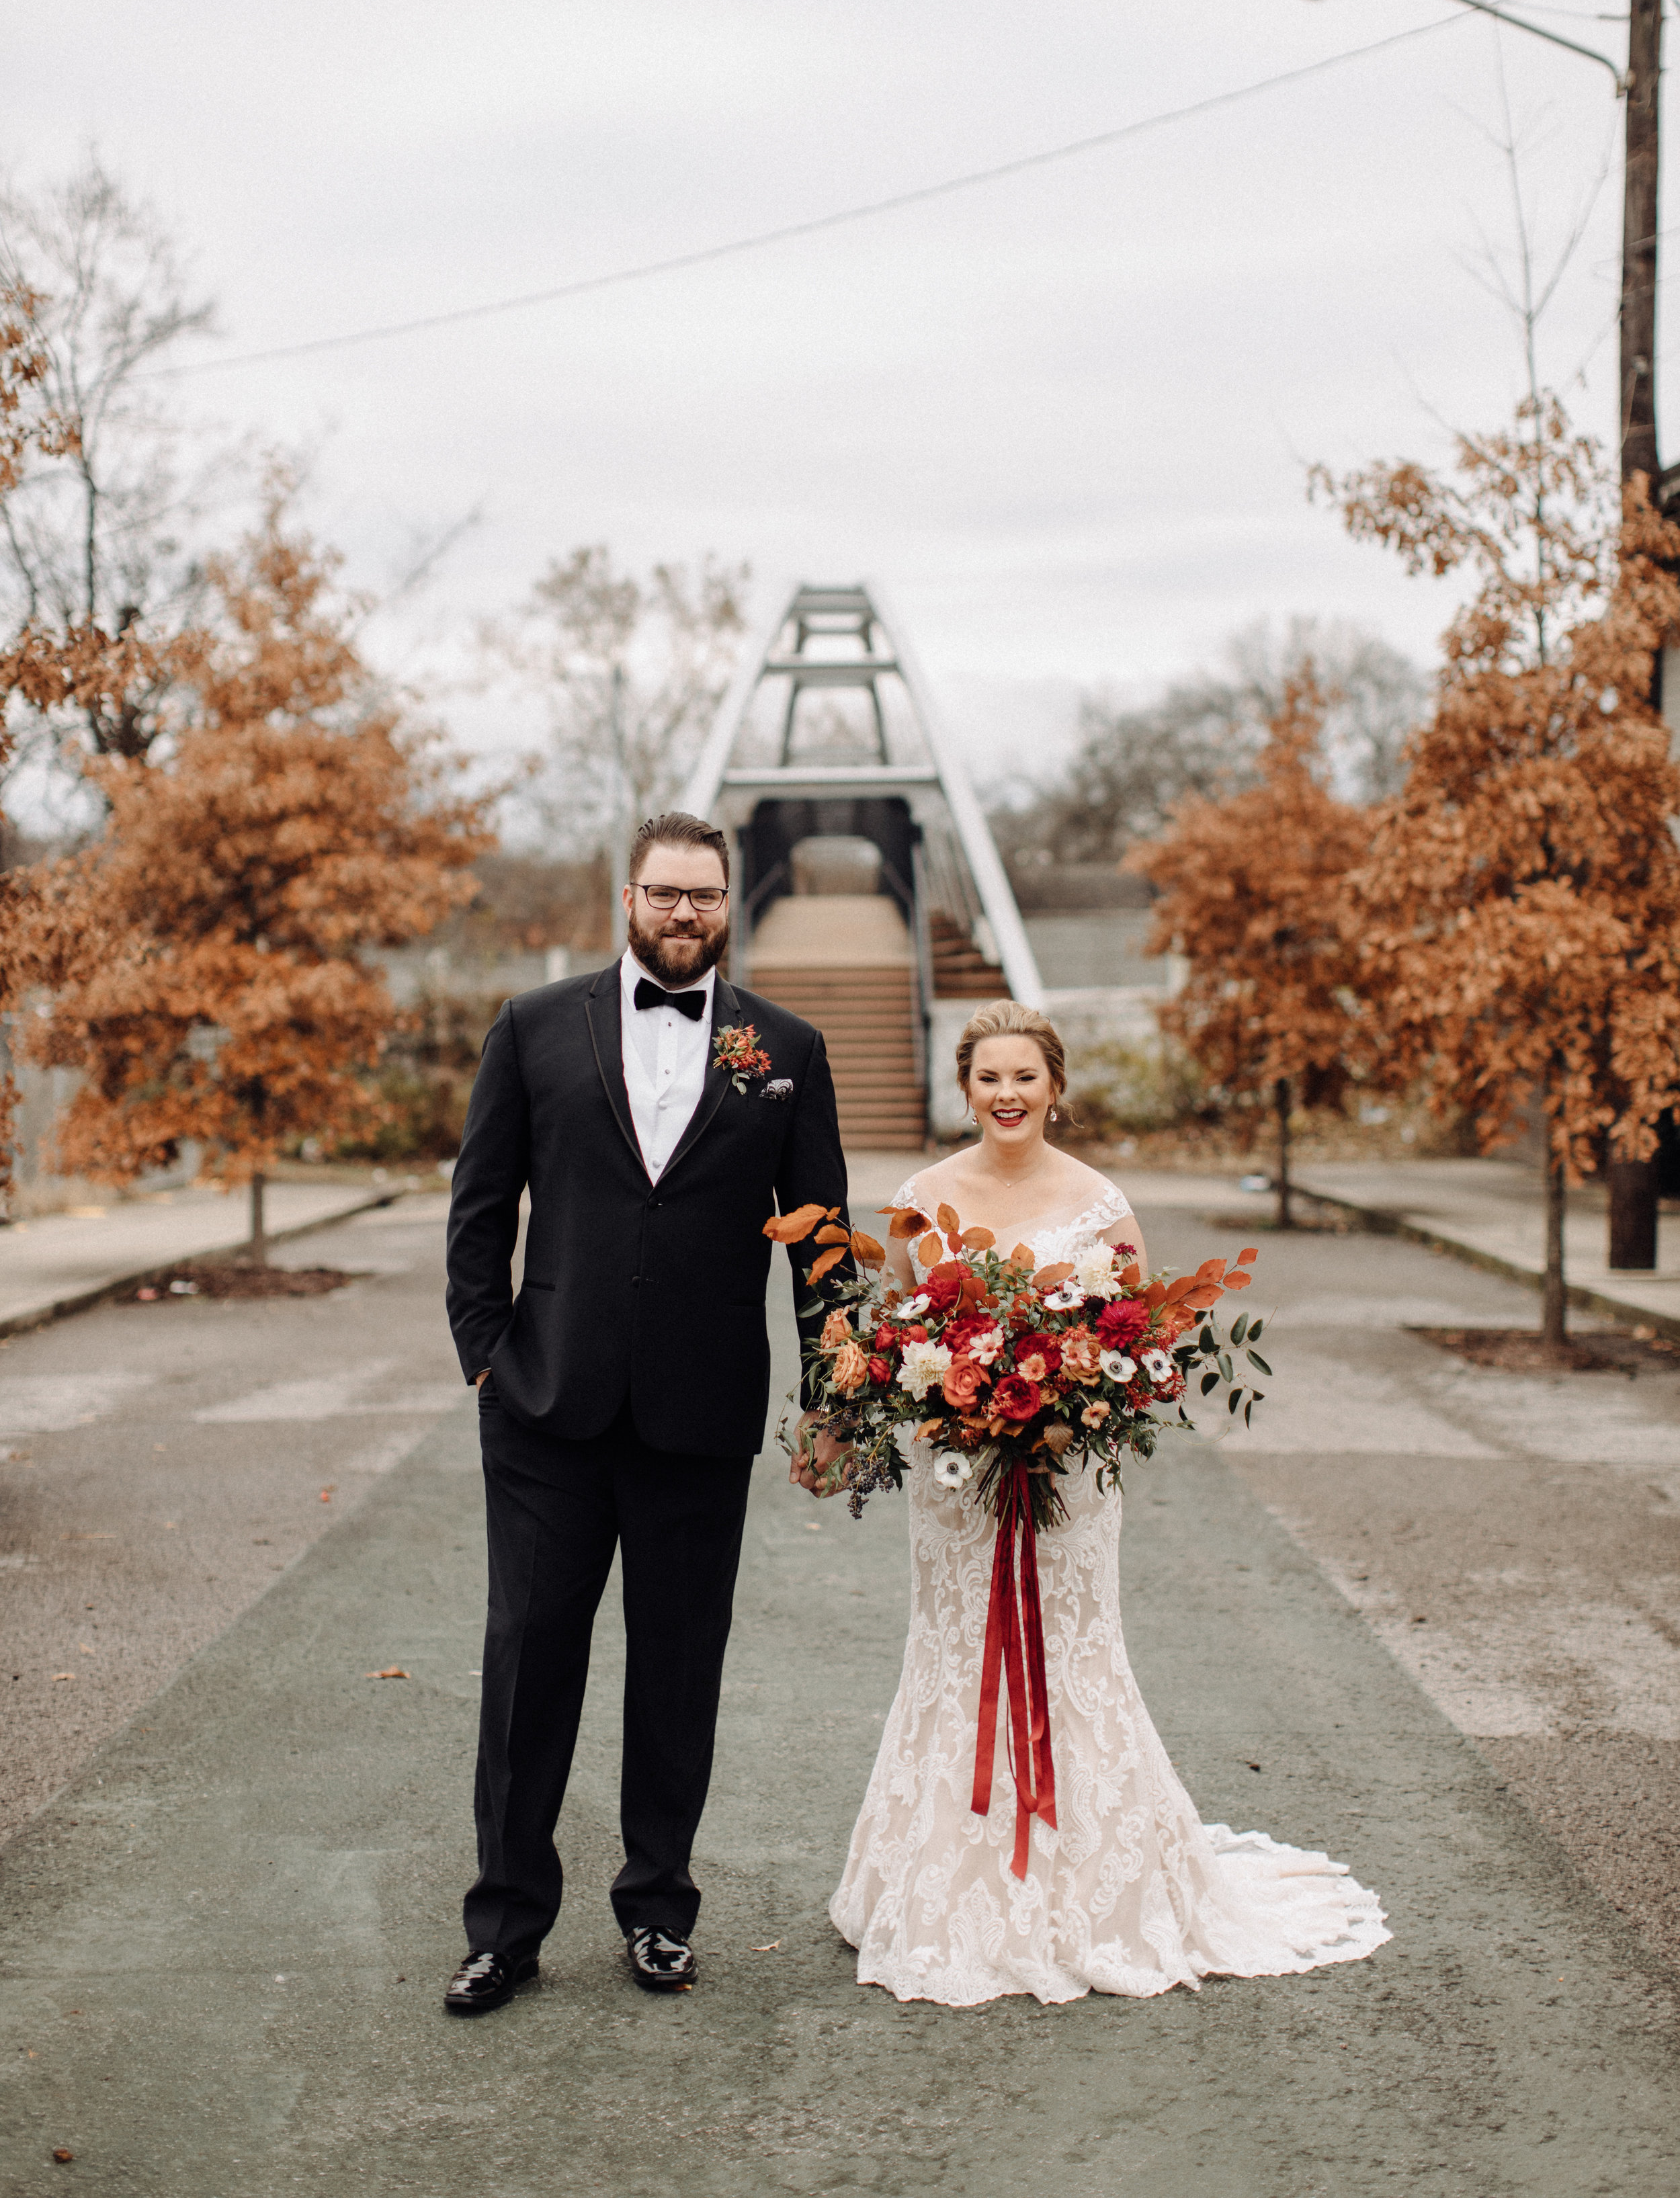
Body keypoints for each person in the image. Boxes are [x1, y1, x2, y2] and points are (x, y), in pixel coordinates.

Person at [812, 999, 1390, 2006]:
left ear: (1056, 1087)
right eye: (989, 1077)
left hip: (1070, 1477)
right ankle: (941, 1881)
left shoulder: (1099, 1202)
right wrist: (923, 1393)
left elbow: (1139, 1347)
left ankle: (1093, 1886)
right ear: (966, 1086)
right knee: (954, 1648)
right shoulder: (920, 1199)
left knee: (1073, 1649)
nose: (1007, 1094)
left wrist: (1075, 1403)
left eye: (1025, 1077)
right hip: (956, 1485)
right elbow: (897, 1334)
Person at [443, 810, 847, 2013]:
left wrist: (833, 1393)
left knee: (679, 1669)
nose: (685, 914)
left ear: (730, 906)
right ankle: (506, 1926)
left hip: (700, 1415)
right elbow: (481, 1204)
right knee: (528, 1666)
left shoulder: (787, 1047)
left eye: (706, 897)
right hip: (546, 1410)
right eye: (666, 893)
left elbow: (821, 1242)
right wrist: (483, 1353)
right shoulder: (532, 1025)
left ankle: (658, 1908)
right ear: (629, 895)